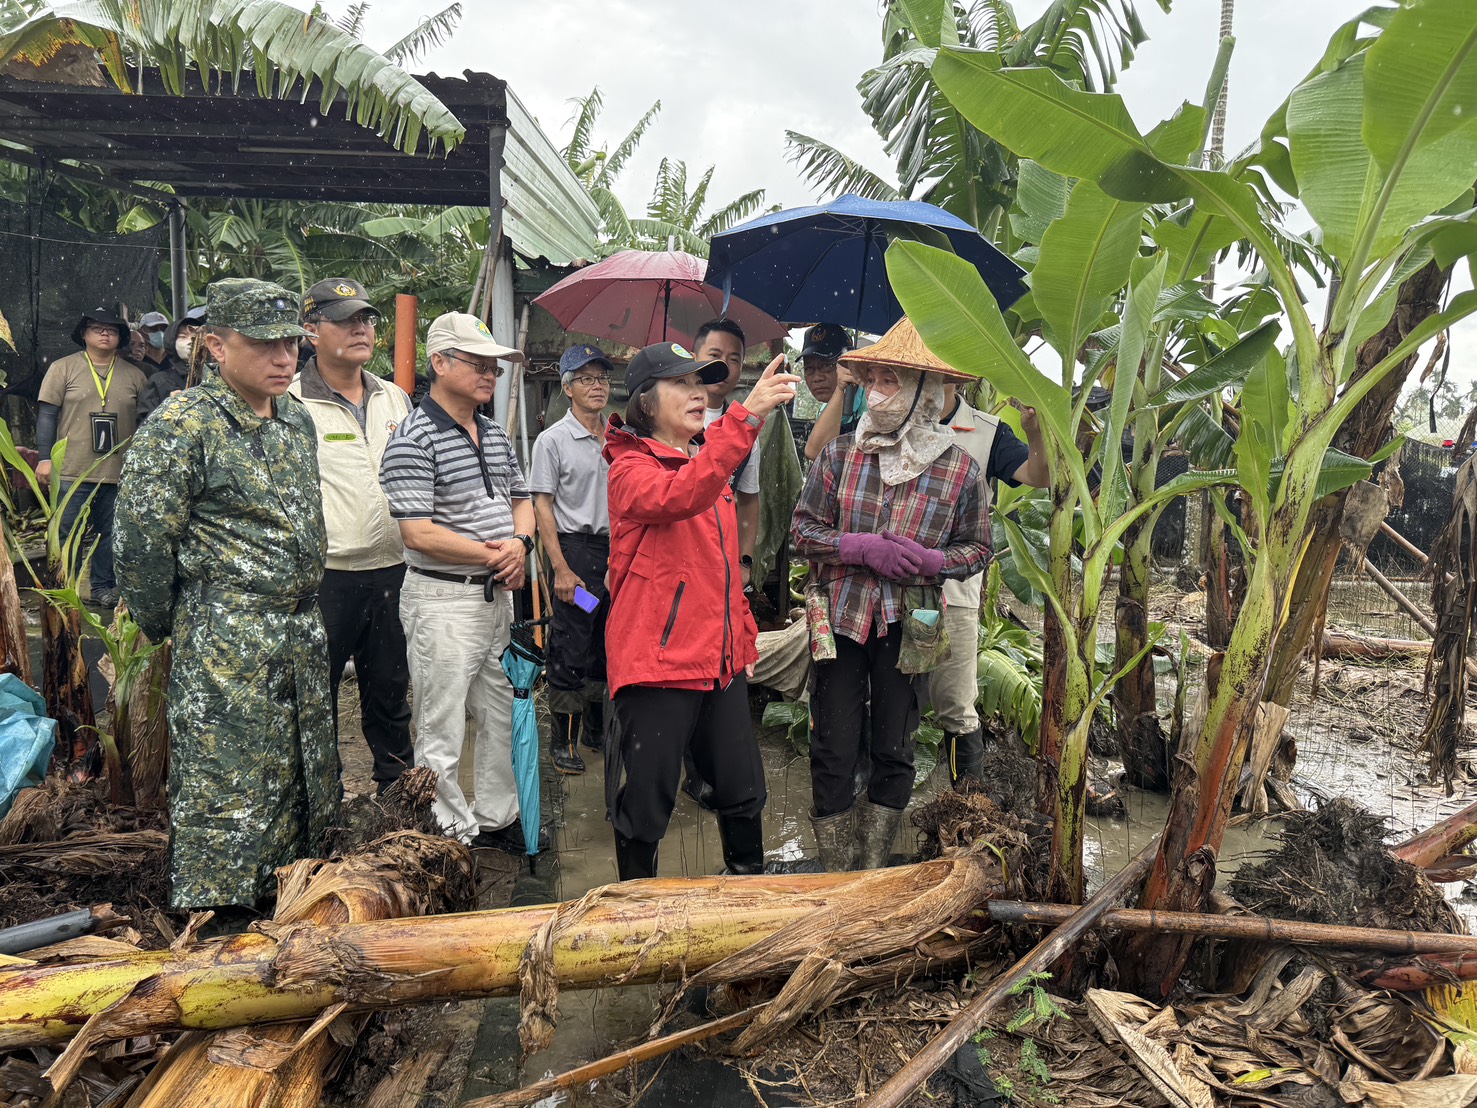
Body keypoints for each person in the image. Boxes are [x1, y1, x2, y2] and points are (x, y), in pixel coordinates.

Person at [113, 278, 337, 914]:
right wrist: (182, 622)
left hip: (298, 629)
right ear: (215, 346)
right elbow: (140, 544)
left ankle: (294, 896)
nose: (284, 359)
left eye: (290, 344)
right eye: (264, 345)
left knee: (300, 768)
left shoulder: (294, 419)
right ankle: (221, 922)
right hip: (227, 637)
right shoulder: (184, 425)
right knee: (229, 782)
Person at [792, 318, 991, 872]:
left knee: (895, 743)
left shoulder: (959, 470)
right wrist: (856, 546)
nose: (877, 390)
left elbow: (978, 548)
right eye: (873, 378)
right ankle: (837, 874)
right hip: (839, 615)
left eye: (890, 380)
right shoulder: (839, 456)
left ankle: (874, 865)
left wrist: (935, 562)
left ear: (924, 391)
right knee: (833, 741)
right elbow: (801, 531)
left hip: (915, 620)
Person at [603, 341, 800, 880]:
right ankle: (634, 908)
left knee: (744, 789)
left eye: (700, 382)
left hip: (718, 662)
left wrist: (742, 636)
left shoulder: (705, 464)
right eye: (681, 384)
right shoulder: (630, 468)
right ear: (645, 402)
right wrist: (745, 418)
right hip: (659, 662)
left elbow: (721, 568)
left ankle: (746, 893)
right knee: (647, 802)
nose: (698, 394)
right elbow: (678, 497)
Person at [378, 312, 537, 853]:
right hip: (442, 598)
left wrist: (521, 544)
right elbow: (418, 533)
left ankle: (497, 817)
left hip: (495, 595)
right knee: (440, 721)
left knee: (501, 710)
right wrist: (500, 554)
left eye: (494, 366)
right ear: (439, 363)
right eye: (478, 363)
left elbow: (522, 499)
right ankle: (450, 833)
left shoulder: (493, 433)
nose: (490, 374)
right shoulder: (413, 438)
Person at [290, 277, 415, 794]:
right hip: (328, 578)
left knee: (390, 692)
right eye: (345, 320)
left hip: (394, 571)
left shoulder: (395, 397)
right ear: (311, 331)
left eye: (366, 319)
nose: (361, 329)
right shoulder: (291, 402)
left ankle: (398, 798)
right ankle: (325, 802)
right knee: (316, 697)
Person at [930, 385, 1048, 787]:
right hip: (893, 587)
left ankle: (966, 804)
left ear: (958, 377)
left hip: (956, 590)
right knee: (883, 697)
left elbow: (1038, 476)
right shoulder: (895, 421)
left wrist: (1035, 432)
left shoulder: (988, 431)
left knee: (956, 704)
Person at [529, 343, 613, 776]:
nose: (597, 386)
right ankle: (562, 740)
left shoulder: (617, 437)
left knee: (605, 640)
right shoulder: (553, 440)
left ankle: (595, 730)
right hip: (575, 555)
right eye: (586, 379)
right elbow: (542, 507)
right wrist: (560, 568)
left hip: (614, 555)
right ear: (567, 388)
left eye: (602, 378)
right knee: (572, 642)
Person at [37, 306, 149, 609]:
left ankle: (103, 587)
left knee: (109, 533)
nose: (104, 334)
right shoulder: (62, 368)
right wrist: (44, 458)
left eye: (112, 330)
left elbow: (146, 422)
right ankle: (65, 587)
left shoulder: (135, 375)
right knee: (66, 531)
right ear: (84, 334)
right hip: (71, 470)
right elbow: (47, 415)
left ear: (120, 338)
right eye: (97, 328)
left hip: (118, 472)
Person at [694, 319, 762, 587]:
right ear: (694, 357)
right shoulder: (668, 420)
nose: (723, 366)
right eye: (714, 355)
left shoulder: (745, 431)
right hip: (670, 555)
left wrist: (744, 561)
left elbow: (748, 500)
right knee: (589, 606)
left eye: (733, 359)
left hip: (719, 560)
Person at [802, 323, 866, 462]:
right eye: (809, 369)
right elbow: (815, 453)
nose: (817, 378)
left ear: (847, 364)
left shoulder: (872, 399)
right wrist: (840, 390)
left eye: (826, 366)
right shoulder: (826, 408)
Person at [137, 306, 205, 421]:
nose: (191, 341)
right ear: (172, 341)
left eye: (196, 336)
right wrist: (168, 409)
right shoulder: (160, 381)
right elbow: (146, 422)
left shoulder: (218, 375)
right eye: (183, 336)